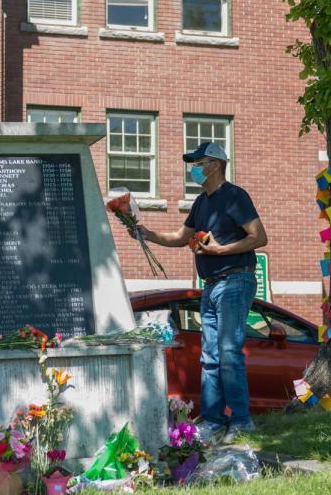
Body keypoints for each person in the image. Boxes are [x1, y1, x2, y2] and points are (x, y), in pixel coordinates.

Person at [132, 142, 267, 443]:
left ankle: (242, 422)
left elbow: (259, 237)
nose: (193, 167)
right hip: (211, 285)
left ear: (216, 164)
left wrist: (221, 249)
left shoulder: (235, 196)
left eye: (198, 161)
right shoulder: (200, 203)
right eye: (193, 162)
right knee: (210, 357)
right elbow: (182, 237)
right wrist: (148, 233)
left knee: (229, 353)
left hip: (235, 280)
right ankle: (215, 422)